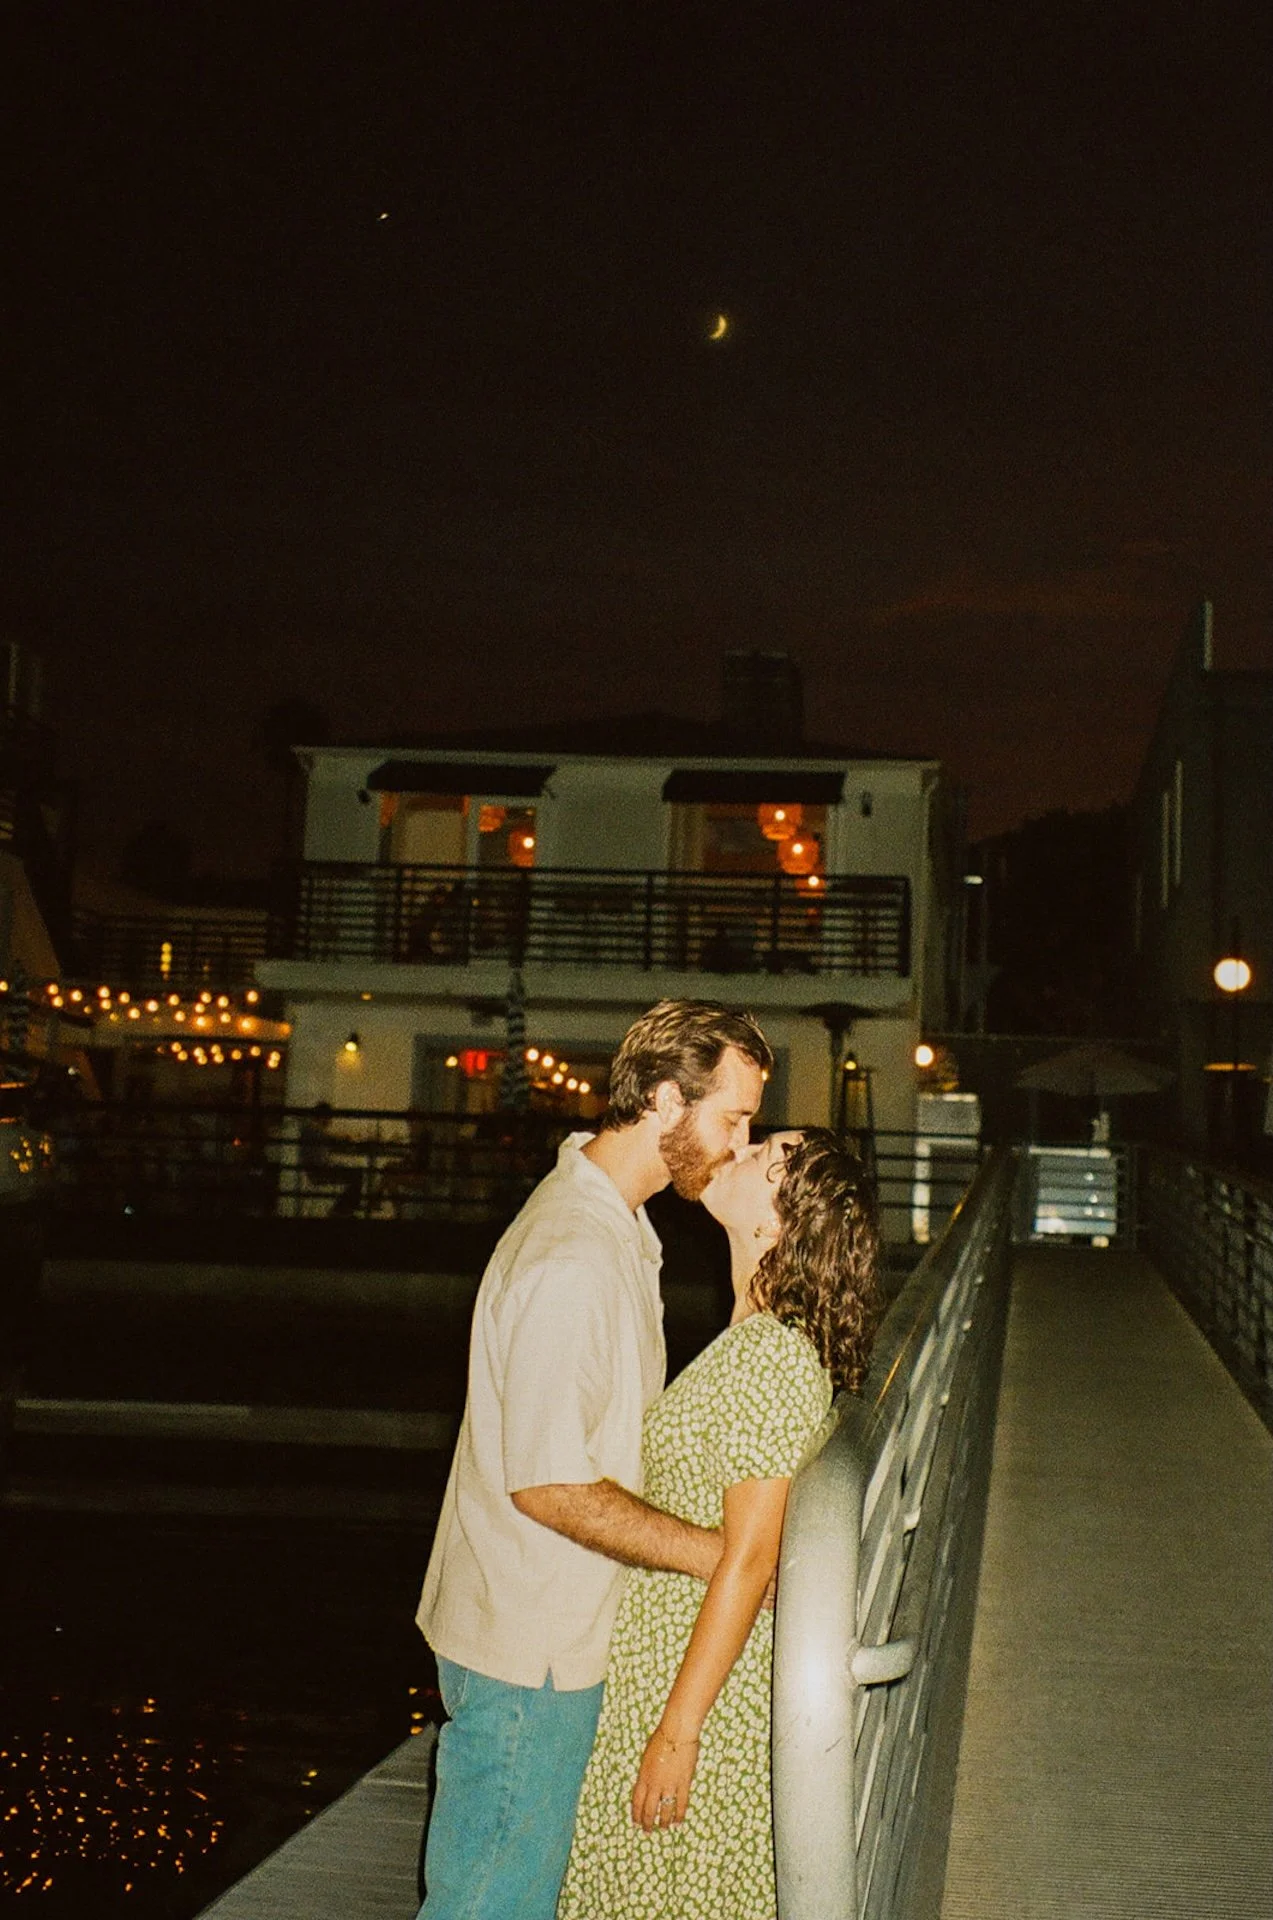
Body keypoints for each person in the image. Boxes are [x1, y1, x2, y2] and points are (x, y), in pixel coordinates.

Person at [414, 999, 774, 1920]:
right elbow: (549, 1482)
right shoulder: (574, 1252)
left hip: (541, 1632)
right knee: (491, 1903)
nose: (741, 1144)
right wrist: (717, 1557)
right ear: (664, 1100)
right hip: (530, 1646)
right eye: (732, 1118)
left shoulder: (610, 1219)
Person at [558, 1127, 883, 1920]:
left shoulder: (766, 1357)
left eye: (758, 1155)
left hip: (694, 1679)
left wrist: (678, 1732)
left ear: (776, 1224)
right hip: (677, 1660)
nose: (732, 1152)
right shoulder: (755, 1339)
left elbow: (750, 1557)